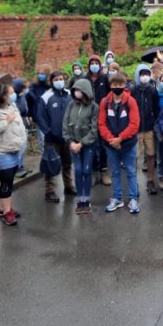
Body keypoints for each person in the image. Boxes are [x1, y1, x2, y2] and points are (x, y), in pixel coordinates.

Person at [0, 83, 27, 226]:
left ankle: (5, 209)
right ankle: (7, 213)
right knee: (6, 180)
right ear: (2, 95)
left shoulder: (12, 106)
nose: (14, 95)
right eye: (11, 93)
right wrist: (6, 121)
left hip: (13, 149)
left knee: (8, 181)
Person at [99, 72, 141, 214]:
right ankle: (117, 198)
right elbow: (101, 124)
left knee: (130, 171)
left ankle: (133, 198)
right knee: (115, 172)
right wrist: (111, 139)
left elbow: (135, 124)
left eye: (120, 84)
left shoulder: (131, 101)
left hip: (128, 144)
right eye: (114, 84)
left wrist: (120, 139)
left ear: (125, 85)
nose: (117, 87)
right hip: (111, 145)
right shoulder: (105, 102)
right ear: (110, 85)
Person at [36, 70, 75, 203]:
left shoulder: (69, 94)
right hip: (52, 139)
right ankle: (50, 191)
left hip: (68, 137)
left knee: (68, 163)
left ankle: (69, 186)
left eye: (61, 79)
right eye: (56, 79)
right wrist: (48, 131)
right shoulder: (46, 97)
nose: (59, 81)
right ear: (51, 81)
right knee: (51, 164)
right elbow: (40, 117)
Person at [62, 78, 99, 214]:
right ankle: (80, 199)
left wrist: (82, 143)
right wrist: (70, 141)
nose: (77, 92)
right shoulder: (71, 105)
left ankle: (86, 199)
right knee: (77, 170)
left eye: (79, 90)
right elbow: (65, 124)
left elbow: (94, 129)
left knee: (86, 170)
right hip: (73, 144)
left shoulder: (94, 107)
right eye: (75, 90)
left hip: (87, 145)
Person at [131, 64, 161, 195]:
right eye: (142, 74)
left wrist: (154, 123)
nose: (145, 77)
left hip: (149, 127)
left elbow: (156, 108)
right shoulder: (133, 90)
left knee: (151, 154)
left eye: (147, 74)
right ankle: (134, 182)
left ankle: (150, 180)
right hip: (136, 129)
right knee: (135, 156)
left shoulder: (152, 90)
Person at [86, 55, 111, 186]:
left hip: (103, 117)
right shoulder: (85, 79)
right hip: (89, 117)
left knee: (103, 146)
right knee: (92, 145)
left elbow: (110, 95)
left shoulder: (105, 78)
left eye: (96, 63)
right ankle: (94, 172)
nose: (94, 65)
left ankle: (104, 171)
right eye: (92, 63)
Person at [12, 77, 30, 178]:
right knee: (20, 147)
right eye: (23, 87)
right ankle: (17, 168)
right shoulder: (14, 98)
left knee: (23, 147)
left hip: (24, 124)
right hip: (18, 126)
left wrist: (27, 116)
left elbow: (25, 109)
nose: (25, 89)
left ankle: (20, 165)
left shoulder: (22, 95)